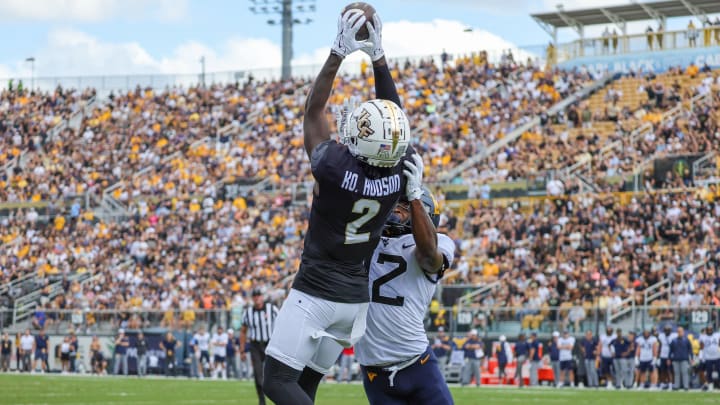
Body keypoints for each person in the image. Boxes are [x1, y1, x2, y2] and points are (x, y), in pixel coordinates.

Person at [262, 6, 414, 405]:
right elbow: (393, 115)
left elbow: (313, 111)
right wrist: (378, 57)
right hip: (352, 306)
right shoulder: (399, 176)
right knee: (305, 388)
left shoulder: (332, 168)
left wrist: (338, 52)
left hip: (315, 293)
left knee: (276, 383)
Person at [354, 187, 455, 404]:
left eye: (404, 206)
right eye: (393, 204)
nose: (395, 211)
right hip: (373, 370)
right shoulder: (366, 239)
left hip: (417, 363)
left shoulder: (440, 242)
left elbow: (429, 257)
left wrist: (414, 198)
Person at [241, 289, 279, 405]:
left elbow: (282, 323)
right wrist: (242, 350)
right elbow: (243, 331)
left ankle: (278, 399)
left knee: (273, 375)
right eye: (255, 296)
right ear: (252, 298)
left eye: (258, 295)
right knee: (258, 376)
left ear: (262, 297)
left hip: (270, 344)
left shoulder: (272, 309)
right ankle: (262, 401)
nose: (257, 298)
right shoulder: (248, 312)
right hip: (255, 345)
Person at [669, 326, 692, 391]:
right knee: (676, 373)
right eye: (678, 331)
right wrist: (669, 358)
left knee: (685, 373)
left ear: (683, 332)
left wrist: (691, 358)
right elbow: (671, 350)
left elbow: (690, 349)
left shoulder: (686, 340)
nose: (679, 333)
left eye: (681, 331)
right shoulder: (674, 341)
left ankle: (686, 386)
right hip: (676, 358)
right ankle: (676, 386)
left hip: (684, 358)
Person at [699, 325, 719, 390]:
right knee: (709, 372)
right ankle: (710, 385)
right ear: (706, 330)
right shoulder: (703, 337)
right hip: (708, 357)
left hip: (717, 356)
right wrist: (702, 357)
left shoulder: (717, 335)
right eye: (708, 330)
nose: (709, 331)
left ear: (713, 330)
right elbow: (701, 347)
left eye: (711, 329)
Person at [658, 325, 677, 389]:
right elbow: (660, 345)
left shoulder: (674, 335)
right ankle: (663, 383)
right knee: (663, 370)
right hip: (663, 355)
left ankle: (671, 383)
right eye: (666, 330)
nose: (667, 331)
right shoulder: (661, 336)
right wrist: (658, 355)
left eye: (668, 330)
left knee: (671, 370)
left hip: (671, 355)